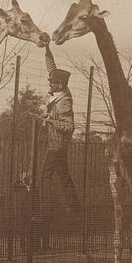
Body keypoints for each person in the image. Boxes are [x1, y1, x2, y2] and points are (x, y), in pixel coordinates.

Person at [40, 43, 80, 217]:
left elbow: (69, 127)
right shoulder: (57, 90)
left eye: (53, 82)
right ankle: (74, 208)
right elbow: (52, 68)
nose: (50, 83)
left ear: (61, 85)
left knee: (44, 176)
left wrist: (50, 121)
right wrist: (47, 49)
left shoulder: (64, 102)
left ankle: (43, 211)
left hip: (56, 145)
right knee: (63, 176)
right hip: (49, 142)